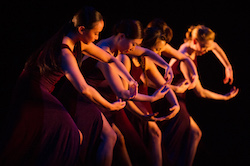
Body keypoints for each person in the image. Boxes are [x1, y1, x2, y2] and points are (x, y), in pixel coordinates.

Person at [0, 7, 138, 166]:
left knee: (74, 135)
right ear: (81, 29)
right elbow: (85, 89)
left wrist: (130, 79)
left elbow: (110, 60)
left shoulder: (79, 42)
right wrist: (110, 106)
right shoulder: (65, 52)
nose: (98, 37)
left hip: (43, 90)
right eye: (96, 33)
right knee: (71, 134)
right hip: (32, 90)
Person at [147, 22, 238, 166]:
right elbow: (200, 92)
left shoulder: (192, 45)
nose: (206, 50)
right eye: (204, 47)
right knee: (172, 141)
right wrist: (225, 97)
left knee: (195, 134)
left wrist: (228, 66)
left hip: (179, 97)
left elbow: (215, 46)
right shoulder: (185, 57)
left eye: (208, 47)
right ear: (195, 41)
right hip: (171, 98)